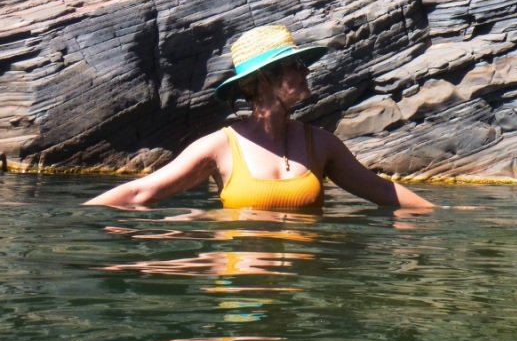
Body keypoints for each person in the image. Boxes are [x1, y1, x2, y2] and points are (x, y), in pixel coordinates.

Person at [85, 24, 434, 210]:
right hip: (244, 293)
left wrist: (439, 216)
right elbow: (140, 192)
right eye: (296, 65)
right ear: (266, 78)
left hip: (301, 293)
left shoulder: (322, 145)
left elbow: (382, 191)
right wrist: (76, 224)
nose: (306, 71)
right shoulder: (220, 147)